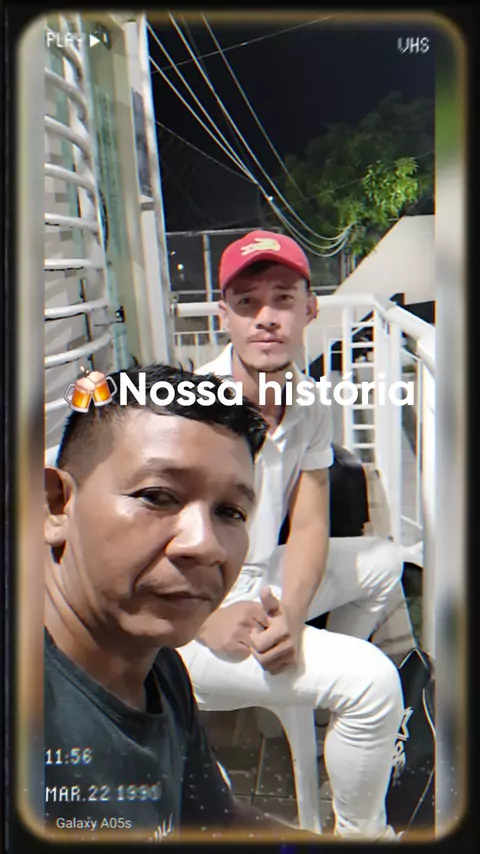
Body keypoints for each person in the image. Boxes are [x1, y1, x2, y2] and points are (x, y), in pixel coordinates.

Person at [178, 230, 406, 840]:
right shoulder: (189, 411)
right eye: (247, 302)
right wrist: (202, 620)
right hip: (193, 617)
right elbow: (143, 548)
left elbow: (309, 522)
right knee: (373, 682)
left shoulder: (307, 400)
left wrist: (295, 615)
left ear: (309, 308)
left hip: (262, 579)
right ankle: (364, 833)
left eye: (282, 298)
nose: (266, 317)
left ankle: (316, 694)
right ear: (223, 316)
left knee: (385, 561)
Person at [44, 364, 308, 843]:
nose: (205, 545)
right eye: (157, 496)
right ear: (57, 505)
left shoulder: (159, 669)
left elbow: (214, 821)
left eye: (230, 512)